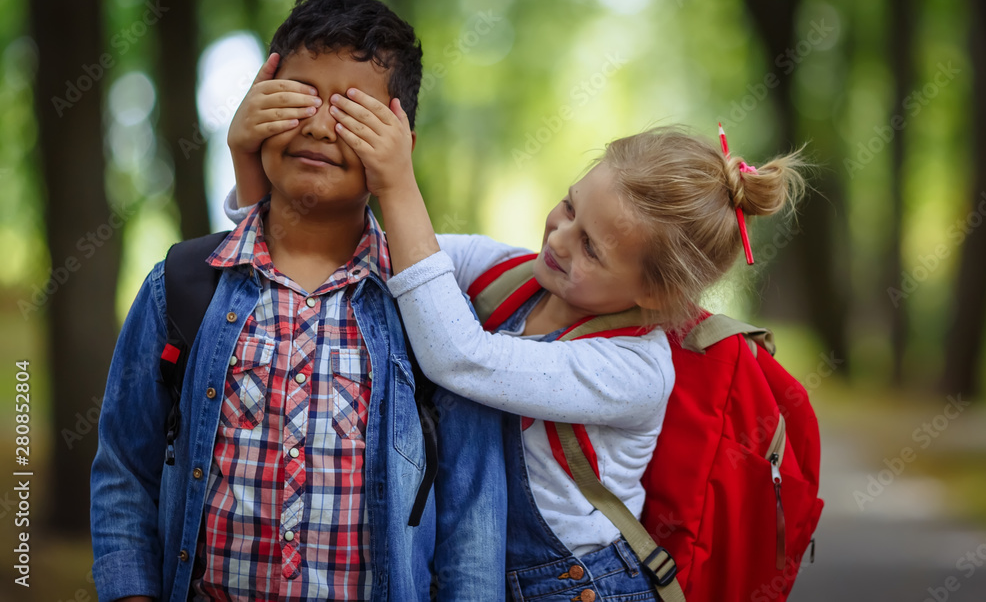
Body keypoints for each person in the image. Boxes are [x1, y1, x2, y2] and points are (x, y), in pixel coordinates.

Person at [228, 76, 805, 598]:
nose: (558, 239)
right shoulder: (511, 277)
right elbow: (344, 255)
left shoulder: (634, 370)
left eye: (592, 249)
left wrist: (398, 184)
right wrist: (249, 165)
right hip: (479, 569)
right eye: (570, 207)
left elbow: (461, 358)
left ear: (652, 293)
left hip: (574, 587)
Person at [90, 0, 506, 602]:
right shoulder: (179, 288)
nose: (316, 126)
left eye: (352, 111)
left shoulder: (434, 316)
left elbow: (472, 518)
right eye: (299, 99)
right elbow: (125, 470)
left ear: (398, 143)